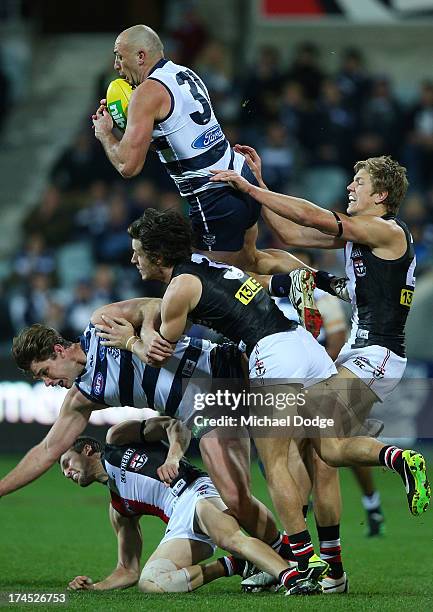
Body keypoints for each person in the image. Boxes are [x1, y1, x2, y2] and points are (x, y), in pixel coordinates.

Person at [210, 153, 430, 517]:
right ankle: (395, 459)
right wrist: (261, 188)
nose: (350, 186)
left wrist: (247, 187)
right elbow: (292, 232)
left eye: (360, 182)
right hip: (356, 352)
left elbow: (312, 216)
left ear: (382, 196)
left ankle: (298, 537)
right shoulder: (362, 235)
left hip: (378, 354)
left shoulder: (386, 230)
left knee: (302, 422)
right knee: (327, 448)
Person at [90, 22, 324, 338]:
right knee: (253, 259)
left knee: (210, 281)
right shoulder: (184, 73)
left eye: (119, 57)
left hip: (213, 197)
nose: (116, 66)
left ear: (141, 55)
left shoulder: (147, 93)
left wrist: (106, 134)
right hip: (238, 174)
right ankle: (325, 283)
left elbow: (128, 166)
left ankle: (286, 293)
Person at [63, 416, 306, 594]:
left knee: (229, 539)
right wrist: (94, 587)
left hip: (194, 489)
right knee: (151, 582)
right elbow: (128, 570)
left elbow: (174, 425)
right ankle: (235, 565)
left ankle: (293, 577)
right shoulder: (119, 509)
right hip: (179, 520)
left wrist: (173, 456)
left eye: (66, 463)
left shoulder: (116, 439)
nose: (66, 473)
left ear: (86, 449)